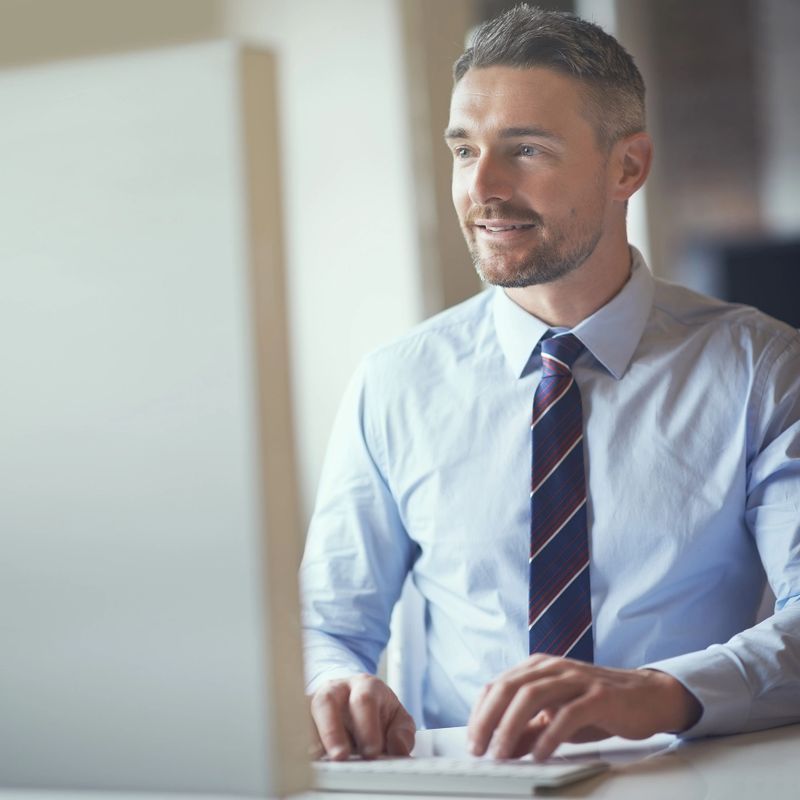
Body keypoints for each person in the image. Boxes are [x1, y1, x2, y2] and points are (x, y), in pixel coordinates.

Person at [300, 4, 800, 763]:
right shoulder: (393, 384)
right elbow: (326, 623)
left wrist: (656, 693)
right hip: (462, 784)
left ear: (627, 167)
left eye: (525, 149)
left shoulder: (762, 371)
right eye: (465, 151)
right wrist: (337, 684)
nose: (484, 188)